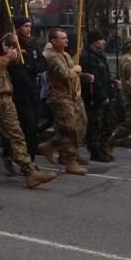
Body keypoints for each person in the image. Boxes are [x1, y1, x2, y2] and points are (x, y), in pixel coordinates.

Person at [0, 34, 57, 189]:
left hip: (5, 97)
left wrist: (14, 43)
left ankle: (29, 171)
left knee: (16, 134)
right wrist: (7, 57)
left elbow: (16, 57)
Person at [38, 28, 88, 175]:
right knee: (69, 129)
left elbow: (74, 74)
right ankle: (70, 161)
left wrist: (81, 79)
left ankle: (53, 146)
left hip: (71, 95)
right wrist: (77, 70)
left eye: (66, 37)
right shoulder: (51, 57)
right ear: (53, 41)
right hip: (60, 97)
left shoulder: (65, 54)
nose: (66, 40)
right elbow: (65, 74)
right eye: (62, 38)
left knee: (80, 125)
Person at [2, 16, 47, 165]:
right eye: (25, 26)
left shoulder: (32, 44)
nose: (29, 29)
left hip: (34, 90)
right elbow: (15, 69)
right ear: (18, 28)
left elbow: (43, 63)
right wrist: (27, 72)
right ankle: (12, 153)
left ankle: (31, 160)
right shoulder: (12, 45)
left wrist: (31, 68)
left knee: (33, 127)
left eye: (29, 26)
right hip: (20, 91)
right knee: (26, 126)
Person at [80, 29, 116, 162]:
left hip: (106, 94)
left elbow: (104, 75)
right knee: (95, 123)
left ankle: (102, 146)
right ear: (94, 41)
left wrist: (113, 82)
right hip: (95, 97)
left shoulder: (100, 55)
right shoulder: (87, 57)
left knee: (109, 122)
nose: (104, 41)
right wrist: (102, 95)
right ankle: (94, 150)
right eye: (101, 39)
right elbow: (94, 79)